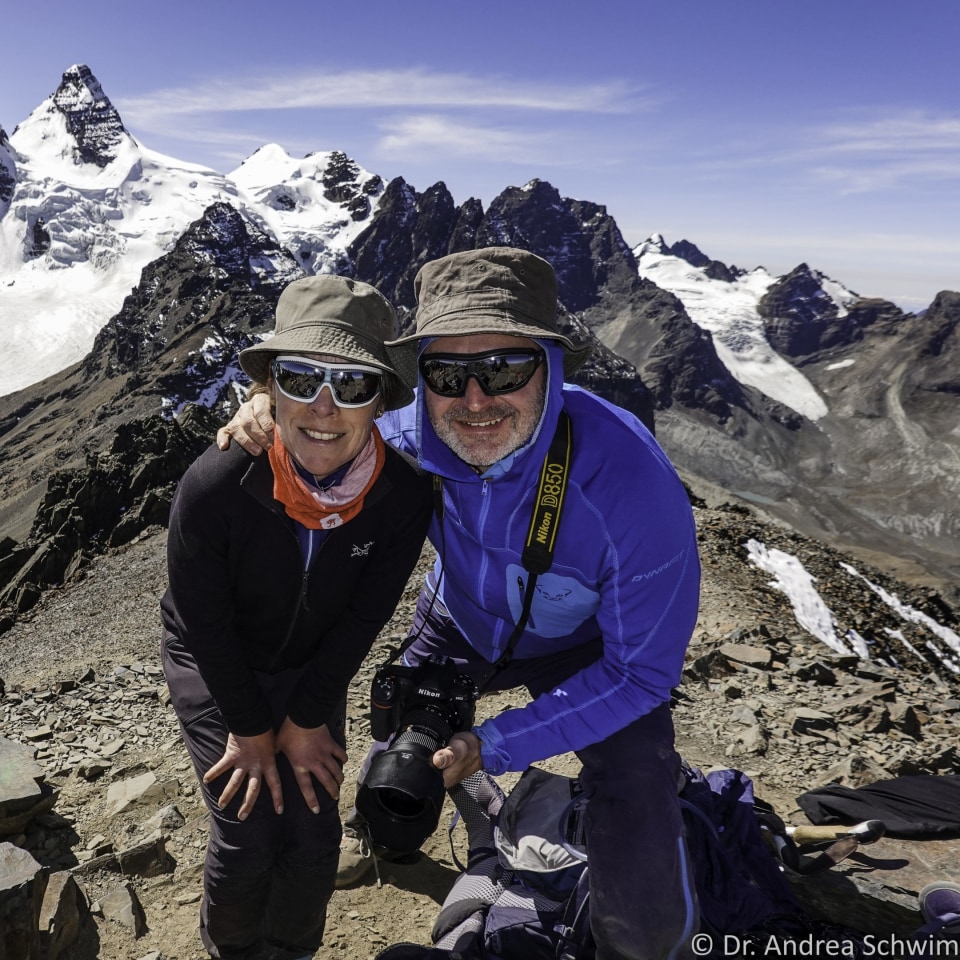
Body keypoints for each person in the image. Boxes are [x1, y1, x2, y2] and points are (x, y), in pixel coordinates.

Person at [219, 248, 702, 960]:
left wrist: (496, 745)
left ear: (551, 365)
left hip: (593, 650)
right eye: (447, 374)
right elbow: (326, 432)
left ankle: (644, 914)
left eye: (505, 368)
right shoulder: (404, 436)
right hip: (457, 627)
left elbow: (641, 676)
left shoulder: (630, 484)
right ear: (423, 381)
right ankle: (442, 822)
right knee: (390, 807)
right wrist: (272, 407)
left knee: (645, 920)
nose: (476, 400)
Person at [162, 275, 433, 960]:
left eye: (351, 384)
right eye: (301, 377)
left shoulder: (402, 498)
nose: (322, 406)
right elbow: (203, 620)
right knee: (248, 819)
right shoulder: (216, 486)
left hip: (313, 663)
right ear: (270, 387)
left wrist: (307, 717)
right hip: (215, 657)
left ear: (378, 401)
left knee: (313, 826)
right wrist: (252, 732)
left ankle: (293, 950)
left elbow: (362, 621)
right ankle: (230, 949)